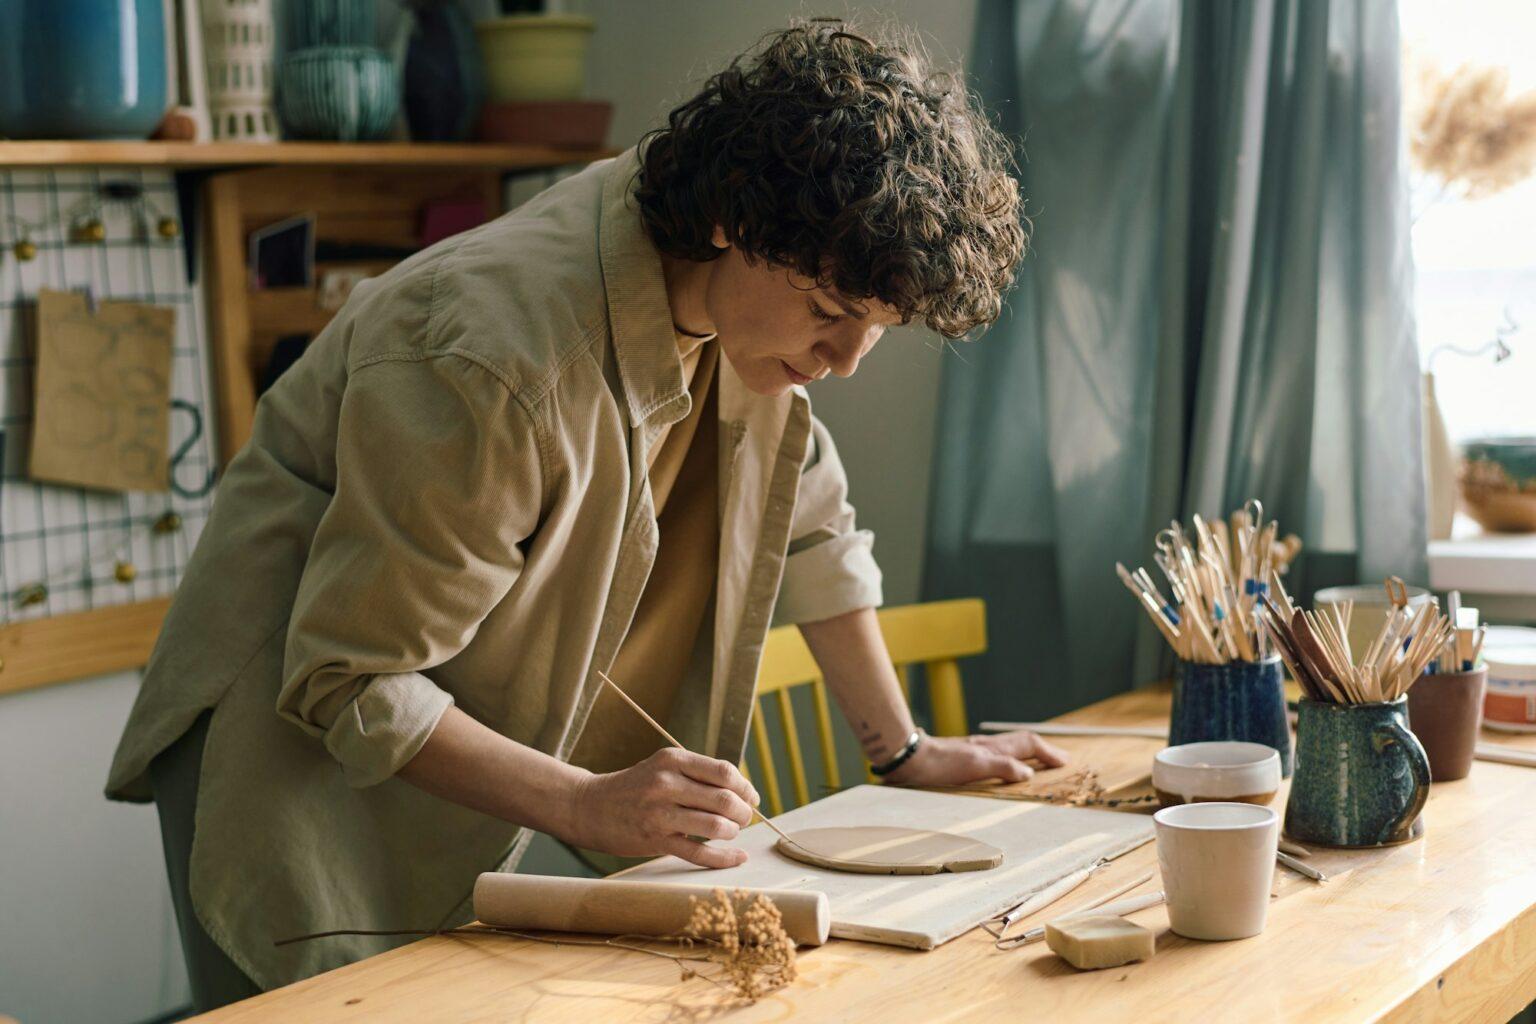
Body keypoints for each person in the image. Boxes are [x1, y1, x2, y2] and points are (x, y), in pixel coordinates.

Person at [104, 18, 1064, 1010]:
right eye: (829, 312)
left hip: (429, 717)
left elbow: (809, 514)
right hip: (287, 742)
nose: (847, 360)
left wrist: (901, 751)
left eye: (878, 329)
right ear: (738, 219)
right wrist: (586, 800)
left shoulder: (731, 284)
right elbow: (351, 677)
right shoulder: (493, 359)